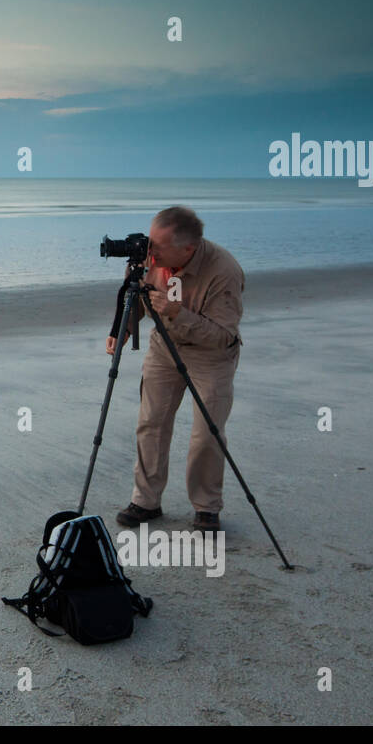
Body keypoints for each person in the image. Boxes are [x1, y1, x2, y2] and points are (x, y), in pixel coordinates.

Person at [107, 207, 244, 533]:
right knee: (150, 423)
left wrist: (176, 312)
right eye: (149, 242)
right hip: (163, 346)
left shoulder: (224, 271)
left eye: (157, 246)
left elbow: (224, 336)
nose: (149, 251)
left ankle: (207, 507)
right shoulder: (149, 259)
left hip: (211, 356)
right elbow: (136, 300)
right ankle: (146, 501)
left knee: (207, 433)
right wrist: (122, 330)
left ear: (188, 249)